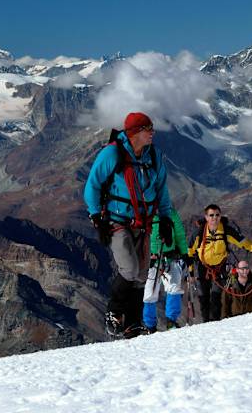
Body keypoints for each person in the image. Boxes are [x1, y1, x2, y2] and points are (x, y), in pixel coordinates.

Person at [84, 112, 173, 338]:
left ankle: (133, 322)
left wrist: (165, 219)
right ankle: (114, 312)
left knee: (142, 274)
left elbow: (162, 190)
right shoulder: (112, 154)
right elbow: (92, 185)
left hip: (144, 224)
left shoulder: (154, 156)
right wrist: (96, 217)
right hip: (117, 222)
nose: (153, 132)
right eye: (148, 128)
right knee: (130, 269)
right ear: (135, 133)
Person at [187, 204, 252, 323]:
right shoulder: (199, 233)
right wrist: (191, 273)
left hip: (219, 268)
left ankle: (214, 323)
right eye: (211, 215)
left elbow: (246, 244)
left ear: (220, 216)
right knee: (204, 298)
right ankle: (206, 324)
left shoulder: (226, 231)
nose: (214, 218)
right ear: (206, 217)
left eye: (217, 215)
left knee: (216, 297)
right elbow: (189, 253)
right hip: (203, 267)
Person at [142, 208, 191, 332]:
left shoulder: (170, 213)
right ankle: (150, 326)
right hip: (152, 258)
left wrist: (185, 253)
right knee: (150, 292)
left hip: (168, 257)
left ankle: (170, 321)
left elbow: (179, 234)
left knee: (173, 288)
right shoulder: (145, 213)